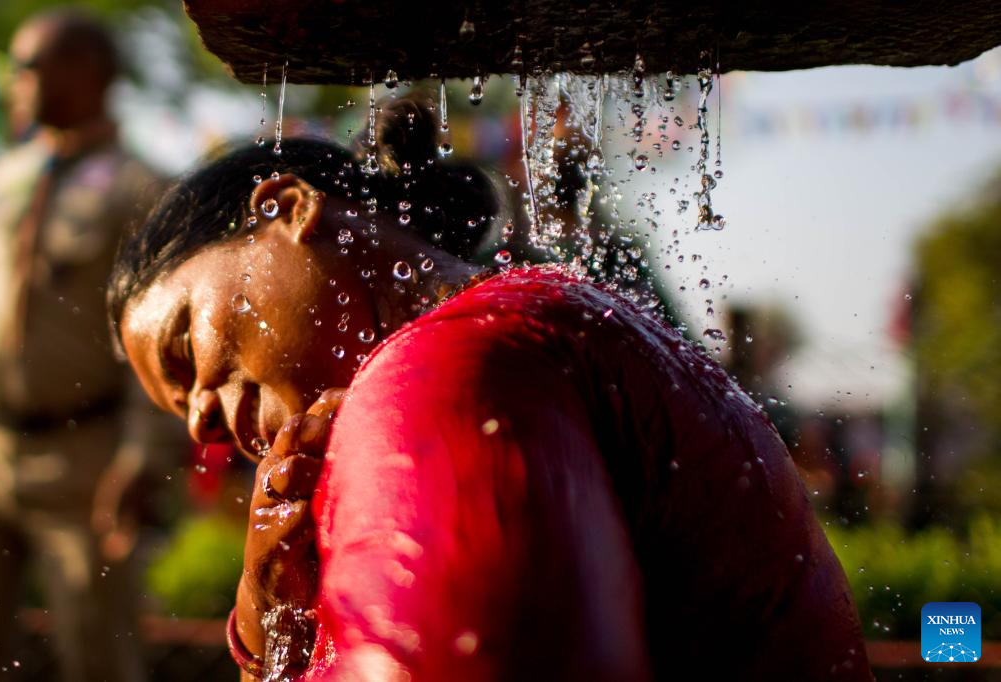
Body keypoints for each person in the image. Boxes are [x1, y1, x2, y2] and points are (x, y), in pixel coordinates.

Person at [108, 98, 872, 680]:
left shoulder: (446, 369)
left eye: (184, 350)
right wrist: (270, 622)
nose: (202, 426)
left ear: (286, 208)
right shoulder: (544, 311)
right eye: (180, 411)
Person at [0, 10, 183, 682]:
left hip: (84, 463)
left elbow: (158, 338)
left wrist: (143, 458)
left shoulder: (141, 188)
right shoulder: (10, 176)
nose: (20, 77)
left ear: (88, 72)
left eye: (36, 63)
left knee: (96, 658)